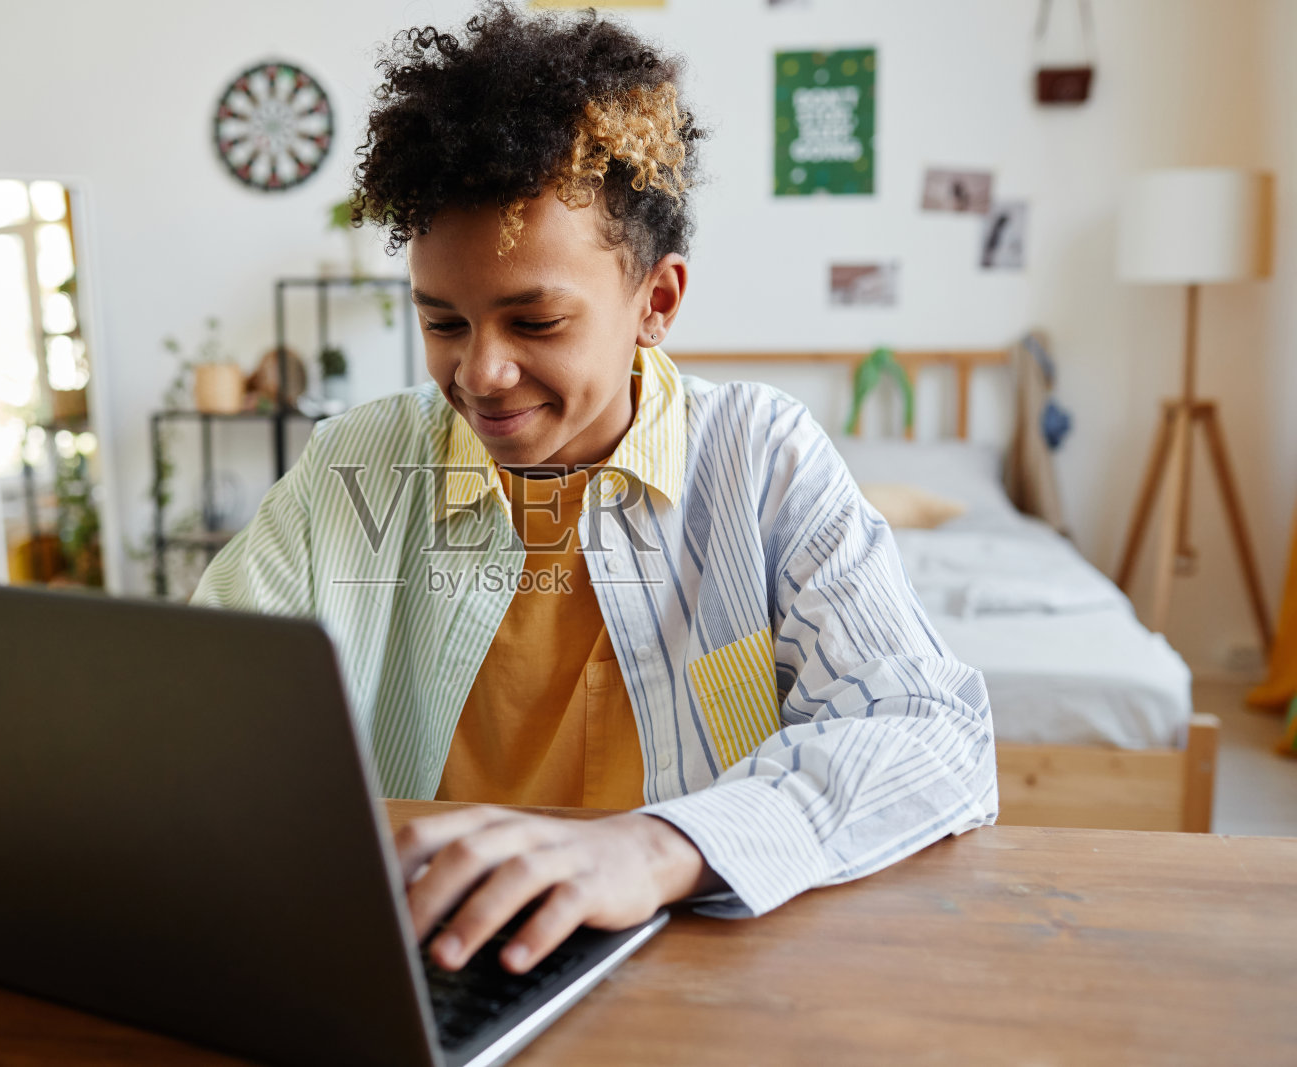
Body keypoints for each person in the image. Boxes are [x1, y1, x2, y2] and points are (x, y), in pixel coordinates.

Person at [193, 1, 996, 978]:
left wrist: (658, 845)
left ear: (656, 301)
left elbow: (931, 737)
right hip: (427, 960)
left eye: (534, 322)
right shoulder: (353, 466)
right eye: (443, 322)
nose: (481, 372)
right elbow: (196, 708)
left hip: (693, 962)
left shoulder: (761, 459)